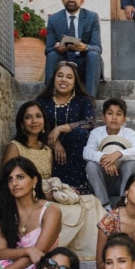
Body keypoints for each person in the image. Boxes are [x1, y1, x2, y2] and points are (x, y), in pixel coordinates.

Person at [37, 60, 96, 194]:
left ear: (75, 82)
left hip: (76, 148)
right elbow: (38, 125)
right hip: (49, 146)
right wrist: (55, 142)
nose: (64, 80)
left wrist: (61, 128)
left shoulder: (82, 100)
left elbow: (90, 122)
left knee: (80, 133)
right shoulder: (43, 101)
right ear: (54, 78)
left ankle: (77, 185)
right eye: (60, 75)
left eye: (69, 77)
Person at [83, 97, 135, 210]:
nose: (114, 118)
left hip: (123, 180)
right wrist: (104, 158)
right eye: (110, 113)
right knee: (91, 165)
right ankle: (105, 206)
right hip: (103, 181)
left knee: (131, 163)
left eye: (119, 114)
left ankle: (123, 202)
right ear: (103, 117)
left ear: (124, 118)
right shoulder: (96, 133)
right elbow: (87, 152)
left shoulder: (130, 133)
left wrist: (118, 154)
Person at [44, 0, 102, 96]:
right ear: (62, 0)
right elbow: (48, 50)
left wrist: (84, 47)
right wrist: (58, 48)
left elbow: (98, 48)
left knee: (93, 55)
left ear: (82, 0)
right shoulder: (54, 19)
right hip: (63, 63)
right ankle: (49, 98)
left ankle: (89, 100)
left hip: (84, 64)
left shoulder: (92, 17)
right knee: (52, 55)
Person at [1, 100, 52, 183]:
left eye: (38, 116)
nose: (34, 121)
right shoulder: (15, 147)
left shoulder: (47, 150)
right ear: (22, 124)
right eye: (28, 117)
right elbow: (9, 180)